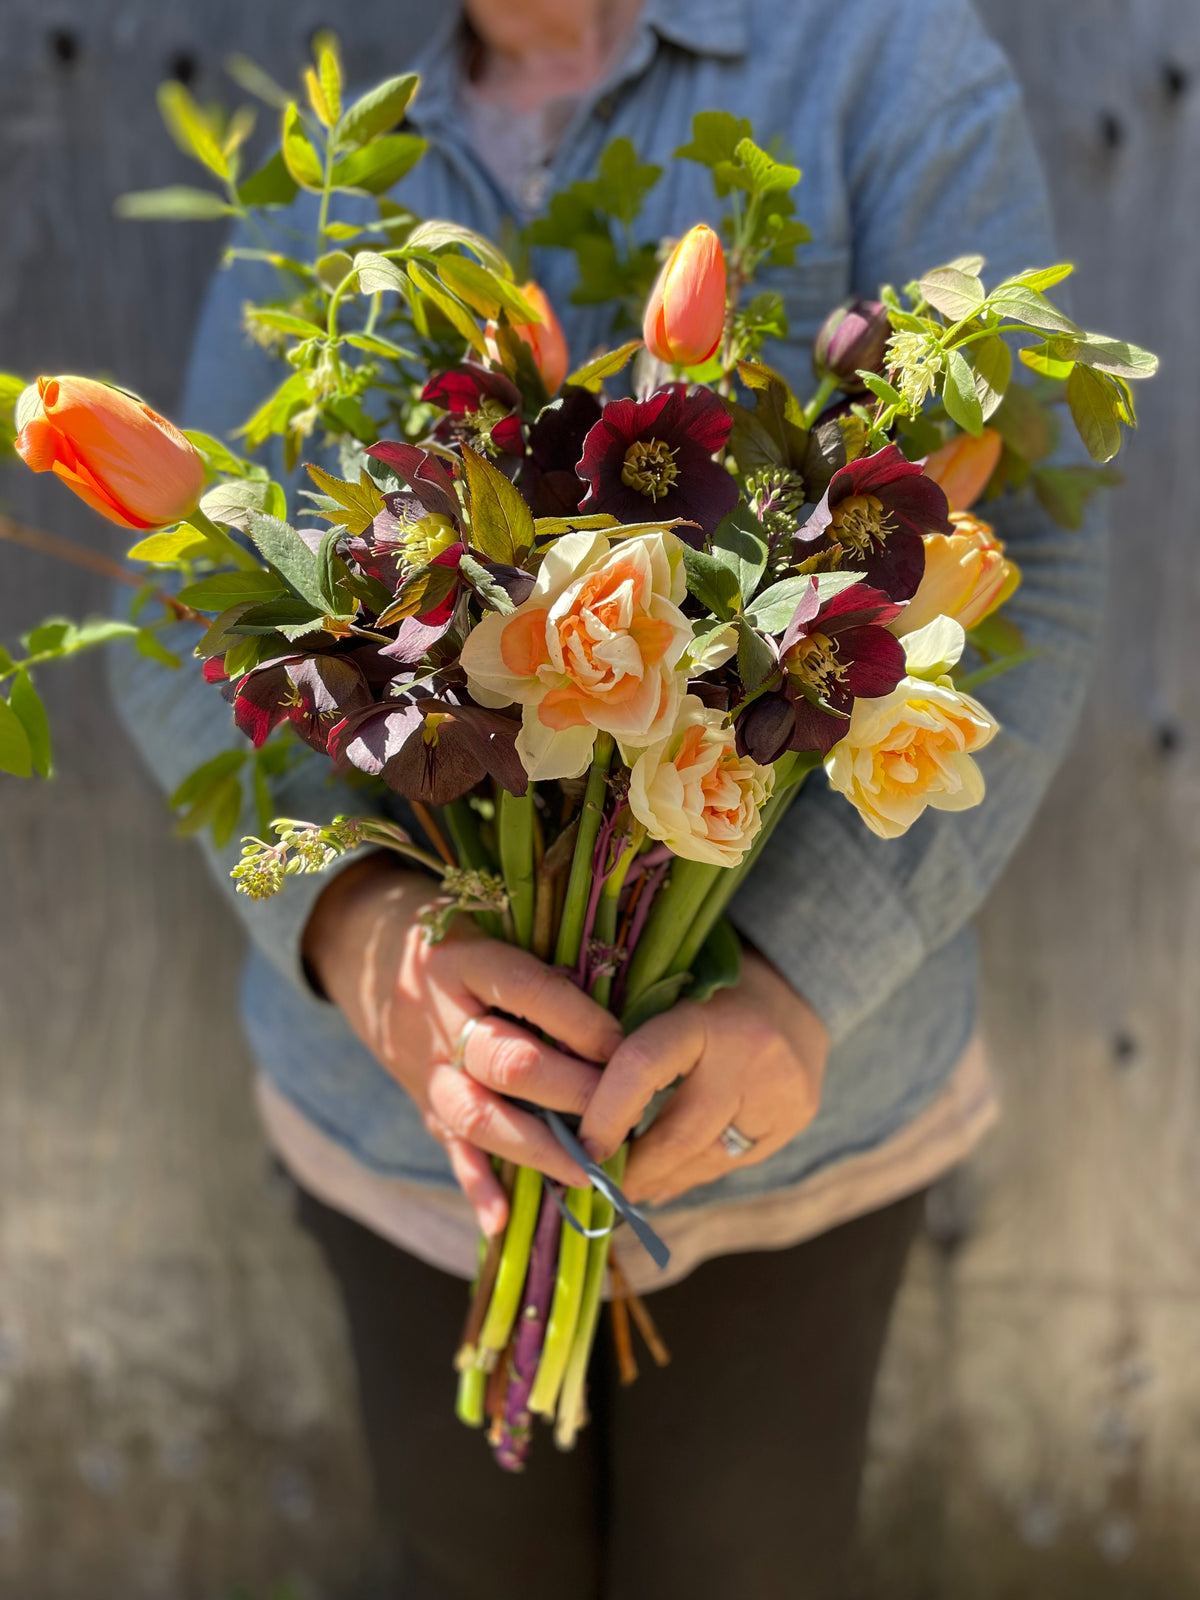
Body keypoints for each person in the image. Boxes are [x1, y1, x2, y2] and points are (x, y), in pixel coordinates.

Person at [111, 0, 1106, 1594]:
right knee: (463, 1558)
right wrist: (376, 951)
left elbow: (1032, 576)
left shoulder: (889, 67)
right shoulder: (332, 143)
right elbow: (186, 614)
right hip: (410, 1124)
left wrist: (793, 988)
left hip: (803, 1122)